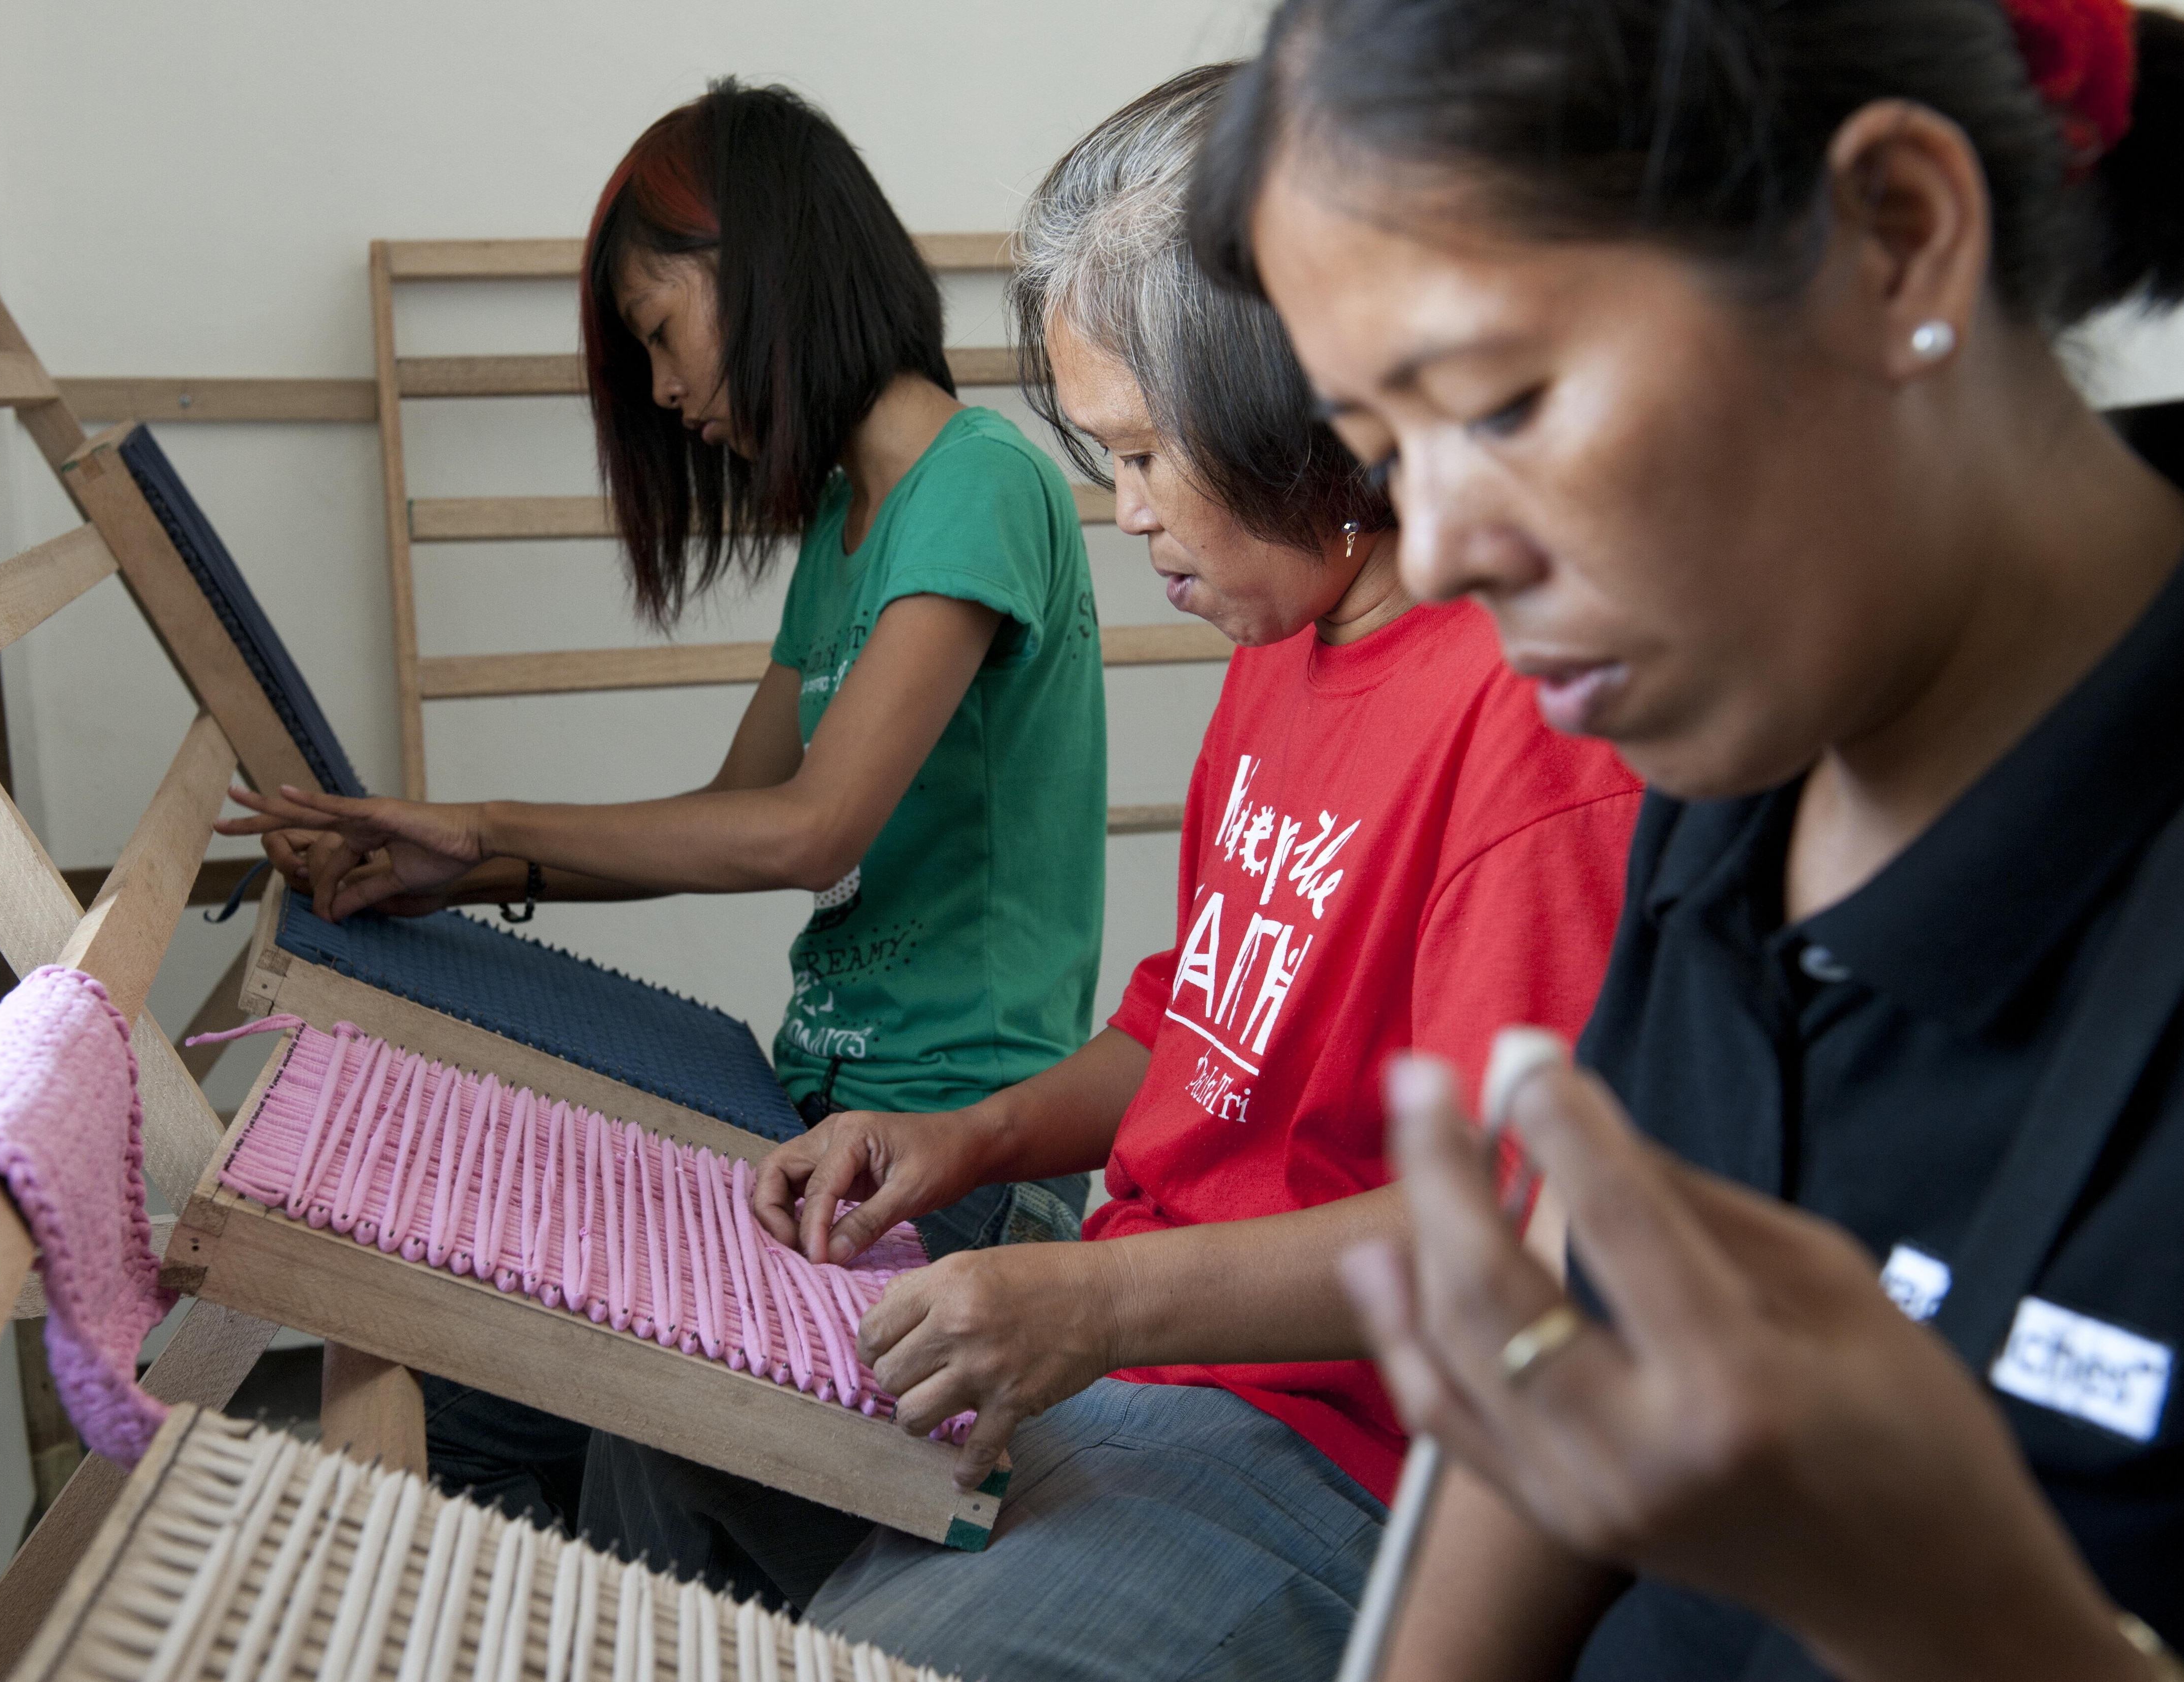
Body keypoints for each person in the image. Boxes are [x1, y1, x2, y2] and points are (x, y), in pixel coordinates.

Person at [1191, 1, 2184, 1677]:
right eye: (1378, 453)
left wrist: (1954, 1606)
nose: (1441, 547)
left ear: (1898, 238)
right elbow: (1552, 1391)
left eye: (1500, 402)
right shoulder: (1731, 736)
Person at [691, 67, 1637, 1678]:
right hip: (1138, 1358)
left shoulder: (1535, 724)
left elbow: (1510, 1243)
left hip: (1332, 1453)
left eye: (1147, 454)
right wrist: (962, 1137)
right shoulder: (1285, 637)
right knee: (662, 1433)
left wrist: (1093, 1308)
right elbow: (1184, 1031)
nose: (1124, 515)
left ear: (1315, 411)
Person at [219, 80, 1107, 1524]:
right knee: (470, 1404)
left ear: (755, 269)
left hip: (959, 1162)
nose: (662, 389)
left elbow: (809, 832)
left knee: (648, 1447)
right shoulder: (849, 521)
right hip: (823, 1125)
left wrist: (486, 818)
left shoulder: (979, 482)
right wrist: (462, 870)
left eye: (659, 331)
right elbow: (729, 812)